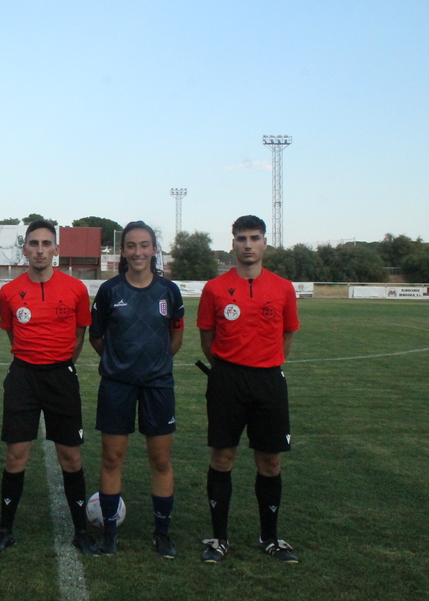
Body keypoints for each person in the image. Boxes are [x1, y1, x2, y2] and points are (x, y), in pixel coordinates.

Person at [0, 219, 100, 556]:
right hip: (23, 377)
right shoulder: (8, 292)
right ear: (24, 248)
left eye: (46, 243)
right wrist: (33, 359)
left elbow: (79, 335)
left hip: (60, 377)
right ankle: (5, 529)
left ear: (56, 249)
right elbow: (11, 333)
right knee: (15, 456)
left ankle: (81, 531)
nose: (39, 250)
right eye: (33, 243)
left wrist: (60, 363)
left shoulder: (76, 289)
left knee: (71, 456)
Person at [197, 215, 300, 563]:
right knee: (223, 457)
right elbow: (207, 339)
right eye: (241, 238)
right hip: (227, 380)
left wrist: (267, 364)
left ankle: (270, 539)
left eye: (254, 238)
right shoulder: (214, 288)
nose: (248, 244)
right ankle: (219, 539)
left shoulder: (283, 288)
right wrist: (229, 368)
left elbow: (287, 334)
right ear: (233, 244)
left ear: (265, 243)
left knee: (270, 462)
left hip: (269, 380)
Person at [89, 221, 185, 558]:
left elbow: (175, 336)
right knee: (112, 458)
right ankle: (110, 535)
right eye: (131, 246)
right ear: (123, 251)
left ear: (154, 249)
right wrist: (120, 363)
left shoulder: (169, 292)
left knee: (160, 459)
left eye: (144, 245)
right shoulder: (110, 291)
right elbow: (97, 337)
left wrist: (154, 364)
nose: (138, 252)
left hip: (158, 385)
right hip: (117, 385)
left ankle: (162, 534)